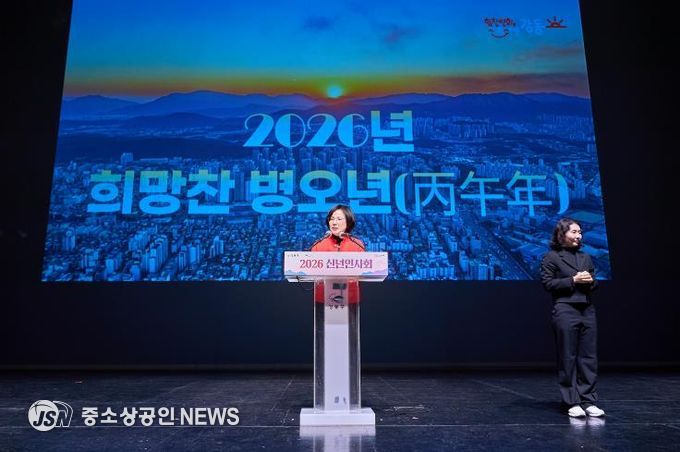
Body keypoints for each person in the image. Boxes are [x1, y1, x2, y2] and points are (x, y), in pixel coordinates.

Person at [541, 218, 605, 418]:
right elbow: (548, 284)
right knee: (567, 356)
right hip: (565, 309)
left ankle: (589, 400)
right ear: (562, 234)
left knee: (588, 357)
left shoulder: (586, 257)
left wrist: (590, 281)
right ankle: (571, 401)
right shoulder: (552, 257)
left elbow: (594, 283)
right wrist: (573, 280)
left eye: (580, 232)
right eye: (574, 232)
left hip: (587, 309)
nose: (579, 236)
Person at [310, 205, 365, 303]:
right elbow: (312, 272)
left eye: (339, 219)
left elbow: (362, 272)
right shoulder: (318, 245)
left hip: (350, 299)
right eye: (332, 219)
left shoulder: (357, 245)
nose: (334, 222)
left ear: (348, 222)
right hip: (323, 299)